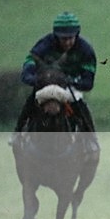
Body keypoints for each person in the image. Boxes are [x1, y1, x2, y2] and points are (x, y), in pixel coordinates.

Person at [16, 11, 98, 149]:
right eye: (63, 39)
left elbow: (88, 82)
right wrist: (29, 75)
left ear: (77, 35)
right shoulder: (45, 43)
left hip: (70, 85)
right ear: (56, 36)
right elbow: (31, 59)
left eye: (70, 38)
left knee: (80, 106)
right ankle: (18, 133)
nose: (67, 42)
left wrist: (73, 81)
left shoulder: (86, 50)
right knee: (31, 101)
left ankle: (91, 140)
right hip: (47, 83)